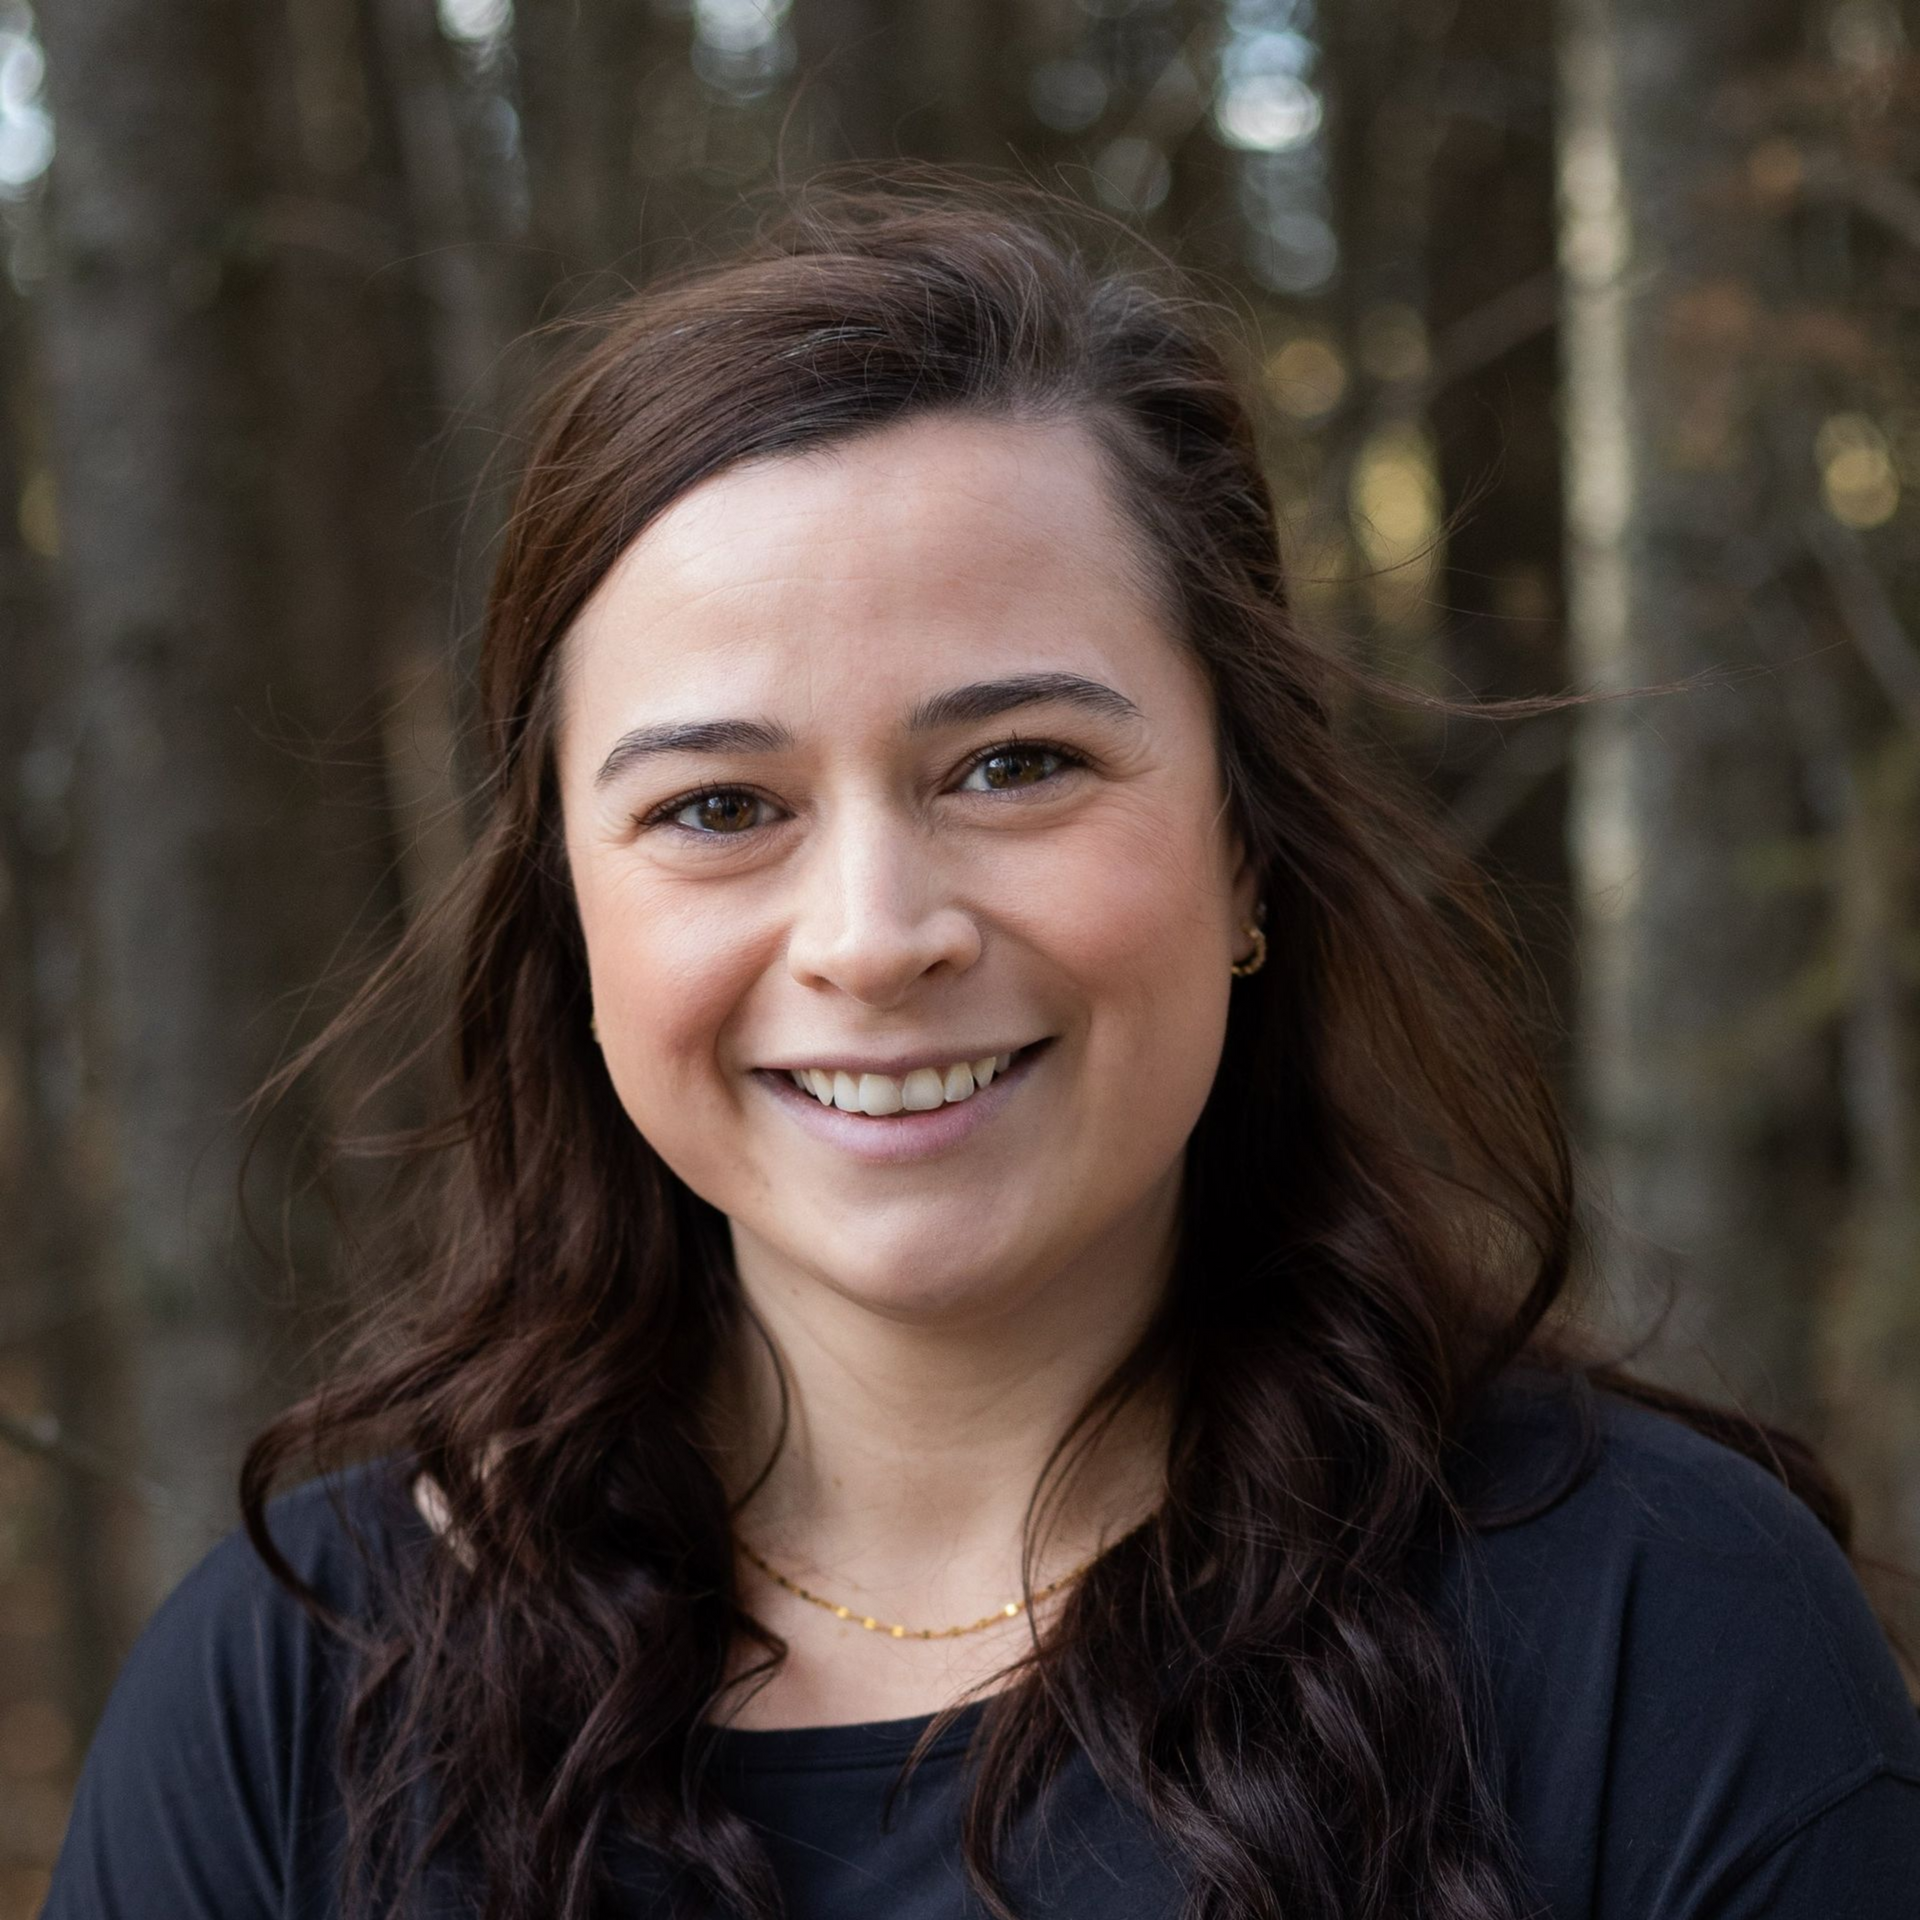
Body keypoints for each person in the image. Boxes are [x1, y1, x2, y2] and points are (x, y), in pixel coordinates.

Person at [43, 176, 1920, 1920]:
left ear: (1246, 847)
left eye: (1015, 765)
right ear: (573, 923)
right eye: (717, 806)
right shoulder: (293, 1699)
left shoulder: (1664, 1636)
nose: (874, 938)